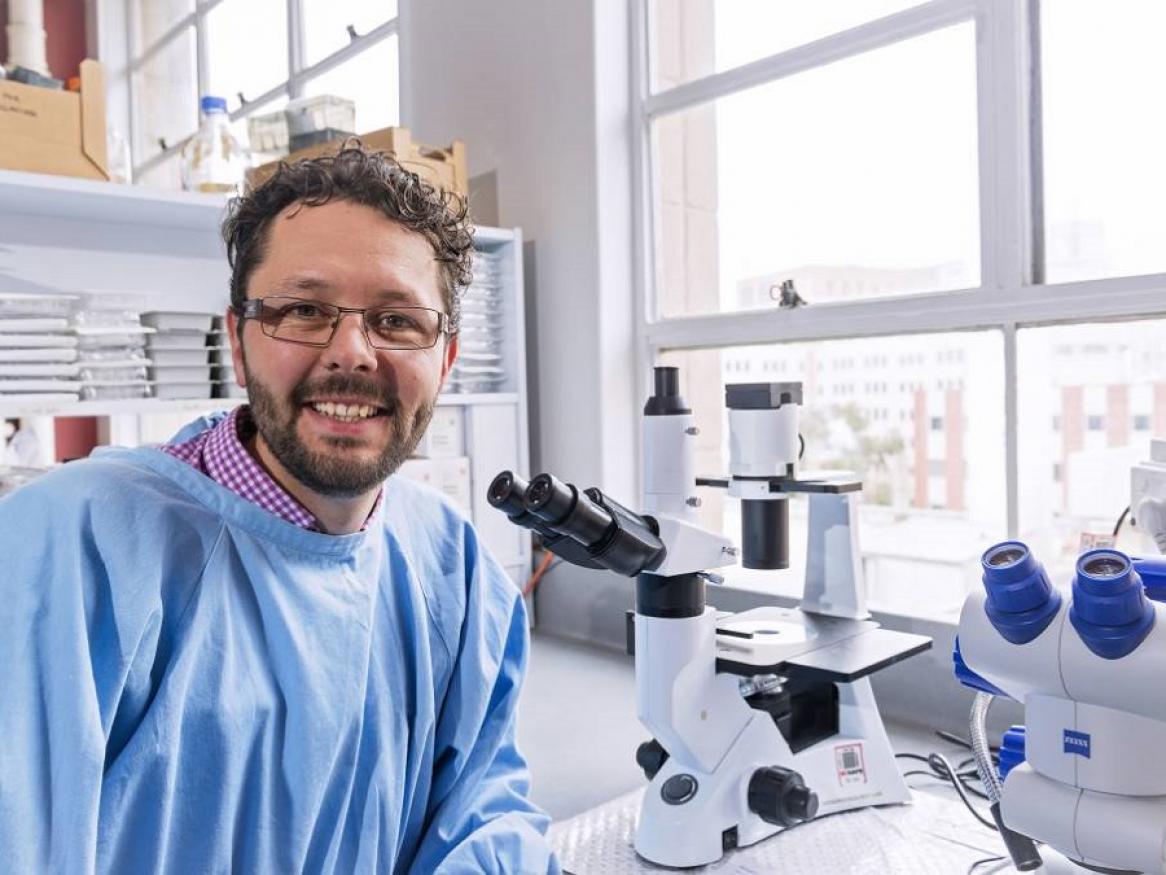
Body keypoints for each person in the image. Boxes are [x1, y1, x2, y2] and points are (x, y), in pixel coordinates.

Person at [0, 145, 560, 874]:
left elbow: (484, 804)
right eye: (304, 310)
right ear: (239, 342)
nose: (352, 353)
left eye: (397, 320)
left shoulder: (453, 566)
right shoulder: (69, 552)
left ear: (445, 360)